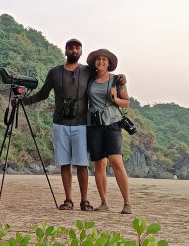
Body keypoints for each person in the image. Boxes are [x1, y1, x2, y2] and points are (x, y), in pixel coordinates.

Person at [21, 39, 124, 211]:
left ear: (81, 52)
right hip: (60, 123)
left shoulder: (88, 71)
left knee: (82, 163)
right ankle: (68, 200)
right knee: (65, 163)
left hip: (82, 124)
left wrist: (121, 78)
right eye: (71, 48)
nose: (74, 50)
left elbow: (104, 75)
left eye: (77, 48)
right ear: (66, 51)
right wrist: (24, 102)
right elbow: (44, 94)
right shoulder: (54, 72)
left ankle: (84, 200)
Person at [86, 48, 132, 214]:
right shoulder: (90, 79)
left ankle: (127, 203)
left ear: (109, 63)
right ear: (94, 63)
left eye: (105, 60)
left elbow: (126, 102)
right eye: (98, 59)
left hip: (112, 123)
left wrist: (115, 98)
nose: (101, 62)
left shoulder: (117, 81)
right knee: (99, 164)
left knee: (116, 162)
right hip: (94, 125)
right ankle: (104, 203)